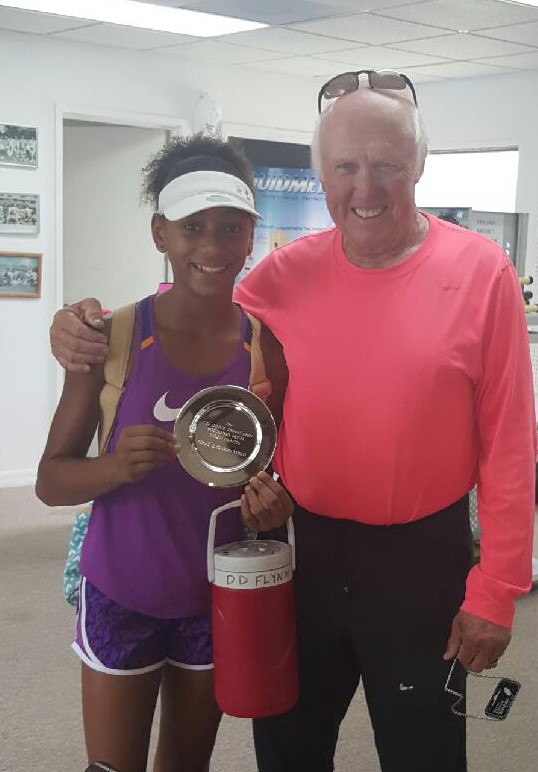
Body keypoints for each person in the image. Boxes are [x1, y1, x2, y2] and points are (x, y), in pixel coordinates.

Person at [49, 71, 537, 772]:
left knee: (422, 750)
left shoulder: (482, 272)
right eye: (344, 167)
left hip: (421, 561)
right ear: (321, 173)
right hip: (297, 548)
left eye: (386, 166)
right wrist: (80, 329)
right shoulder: (282, 273)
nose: (364, 189)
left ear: (419, 167)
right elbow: (193, 306)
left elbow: (510, 446)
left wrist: (497, 590)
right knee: (287, 746)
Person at [37, 135, 294, 772]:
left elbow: (269, 474)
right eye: (192, 228)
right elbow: (50, 480)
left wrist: (272, 508)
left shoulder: (266, 352)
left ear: (250, 237)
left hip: (217, 596)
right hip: (122, 589)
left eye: (230, 229)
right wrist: (114, 467)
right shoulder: (114, 338)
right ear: (160, 233)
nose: (212, 248)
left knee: (186, 765)